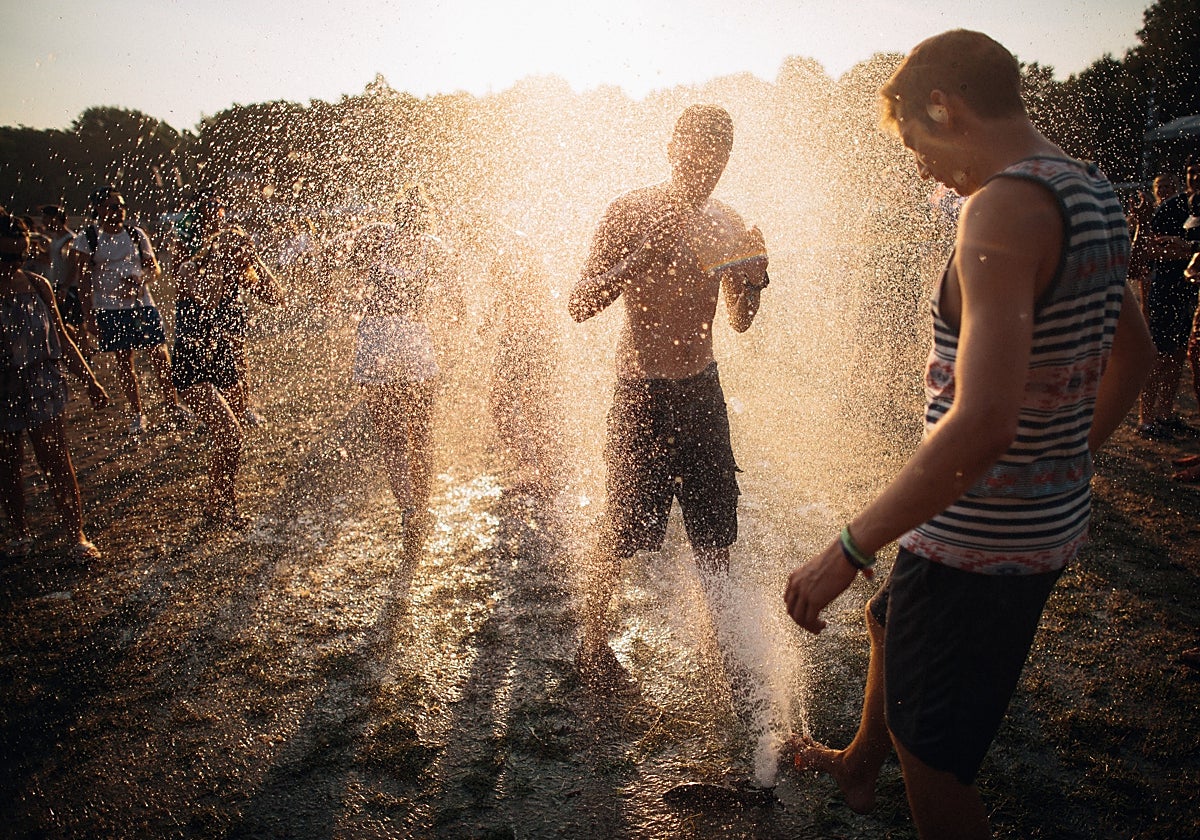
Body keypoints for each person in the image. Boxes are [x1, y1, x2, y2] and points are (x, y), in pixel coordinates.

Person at [782, 30, 1156, 840]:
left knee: (937, 764)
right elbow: (1138, 357)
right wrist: (1063, 460)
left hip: (977, 547)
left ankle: (895, 770)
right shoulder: (1088, 191)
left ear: (943, 107)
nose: (917, 164)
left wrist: (846, 548)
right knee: (890, 623)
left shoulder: (1002, 208)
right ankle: (857, 765)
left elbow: (983, 421)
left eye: (914, 139)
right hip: (1039, 524)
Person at [569, 104, 769, 690]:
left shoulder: (728, 223)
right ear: (671, 149)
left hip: (702, 390)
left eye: (718, 158)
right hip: (641, 391)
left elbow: (740, 320)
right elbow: (580, 304)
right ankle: (592, 644)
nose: (705, 168)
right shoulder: (628, 212)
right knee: (623, 527)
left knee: (715, 529)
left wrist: (754, 278)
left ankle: (719, 650)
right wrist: (634, 260)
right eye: (695, 154)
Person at [342, 185, 459, 562]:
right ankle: (422, 508)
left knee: (392, 438)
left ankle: (408, 510)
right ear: (424, 217)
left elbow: (348, 265)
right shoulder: (433, 247)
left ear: (396, 215)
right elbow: (456, 301)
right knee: (421, 432)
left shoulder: (376, 236)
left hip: (375, 340)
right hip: (413, 340)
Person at [0, 213, 109, 560]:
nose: (12, 265)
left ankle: (76, 534)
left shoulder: (37, 285)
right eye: (6, 258)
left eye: (19, 257)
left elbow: (61, 336)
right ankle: (19, 534)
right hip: (3, 388)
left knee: (56, 461)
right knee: (8, 464)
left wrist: (90, 380)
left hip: (41, 384)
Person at [173, 221, 285, 527]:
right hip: (193, 361)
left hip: (223, 360)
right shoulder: (190, 270)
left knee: (226, 439)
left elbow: (277, 296)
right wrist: (222, 261)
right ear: (218, 248)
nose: (240, 260)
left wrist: (256, 263)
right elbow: (207, 301)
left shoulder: (241, 275)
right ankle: (222, 505)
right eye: (236, 253)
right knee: (230, 434)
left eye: (243, 254)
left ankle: (219, 503)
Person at [69, 186, 191, 436]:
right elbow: (82, 281)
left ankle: (173, 405)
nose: (120, 211)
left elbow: (155, 269)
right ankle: (137, 414)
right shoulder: (88, 238)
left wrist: (140, 279)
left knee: (160, 355)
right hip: (109, 308)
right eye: (114, 206)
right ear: (100, 209)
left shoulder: (136, 234)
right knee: (125, 362)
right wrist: (87, 315)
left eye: (123, 206)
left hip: (142, 304)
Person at [1137, 170, 1197, 440]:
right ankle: (1146, 420)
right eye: (1191, 173)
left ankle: (1166, 413)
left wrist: (1182, 246)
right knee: (1158, 356)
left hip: (1189, 294)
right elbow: (1148, 250)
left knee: (1178, 356)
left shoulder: (1194, 206)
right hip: (1164, 290)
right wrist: (1187, 251)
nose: (1195, 178)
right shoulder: (1171, 209)